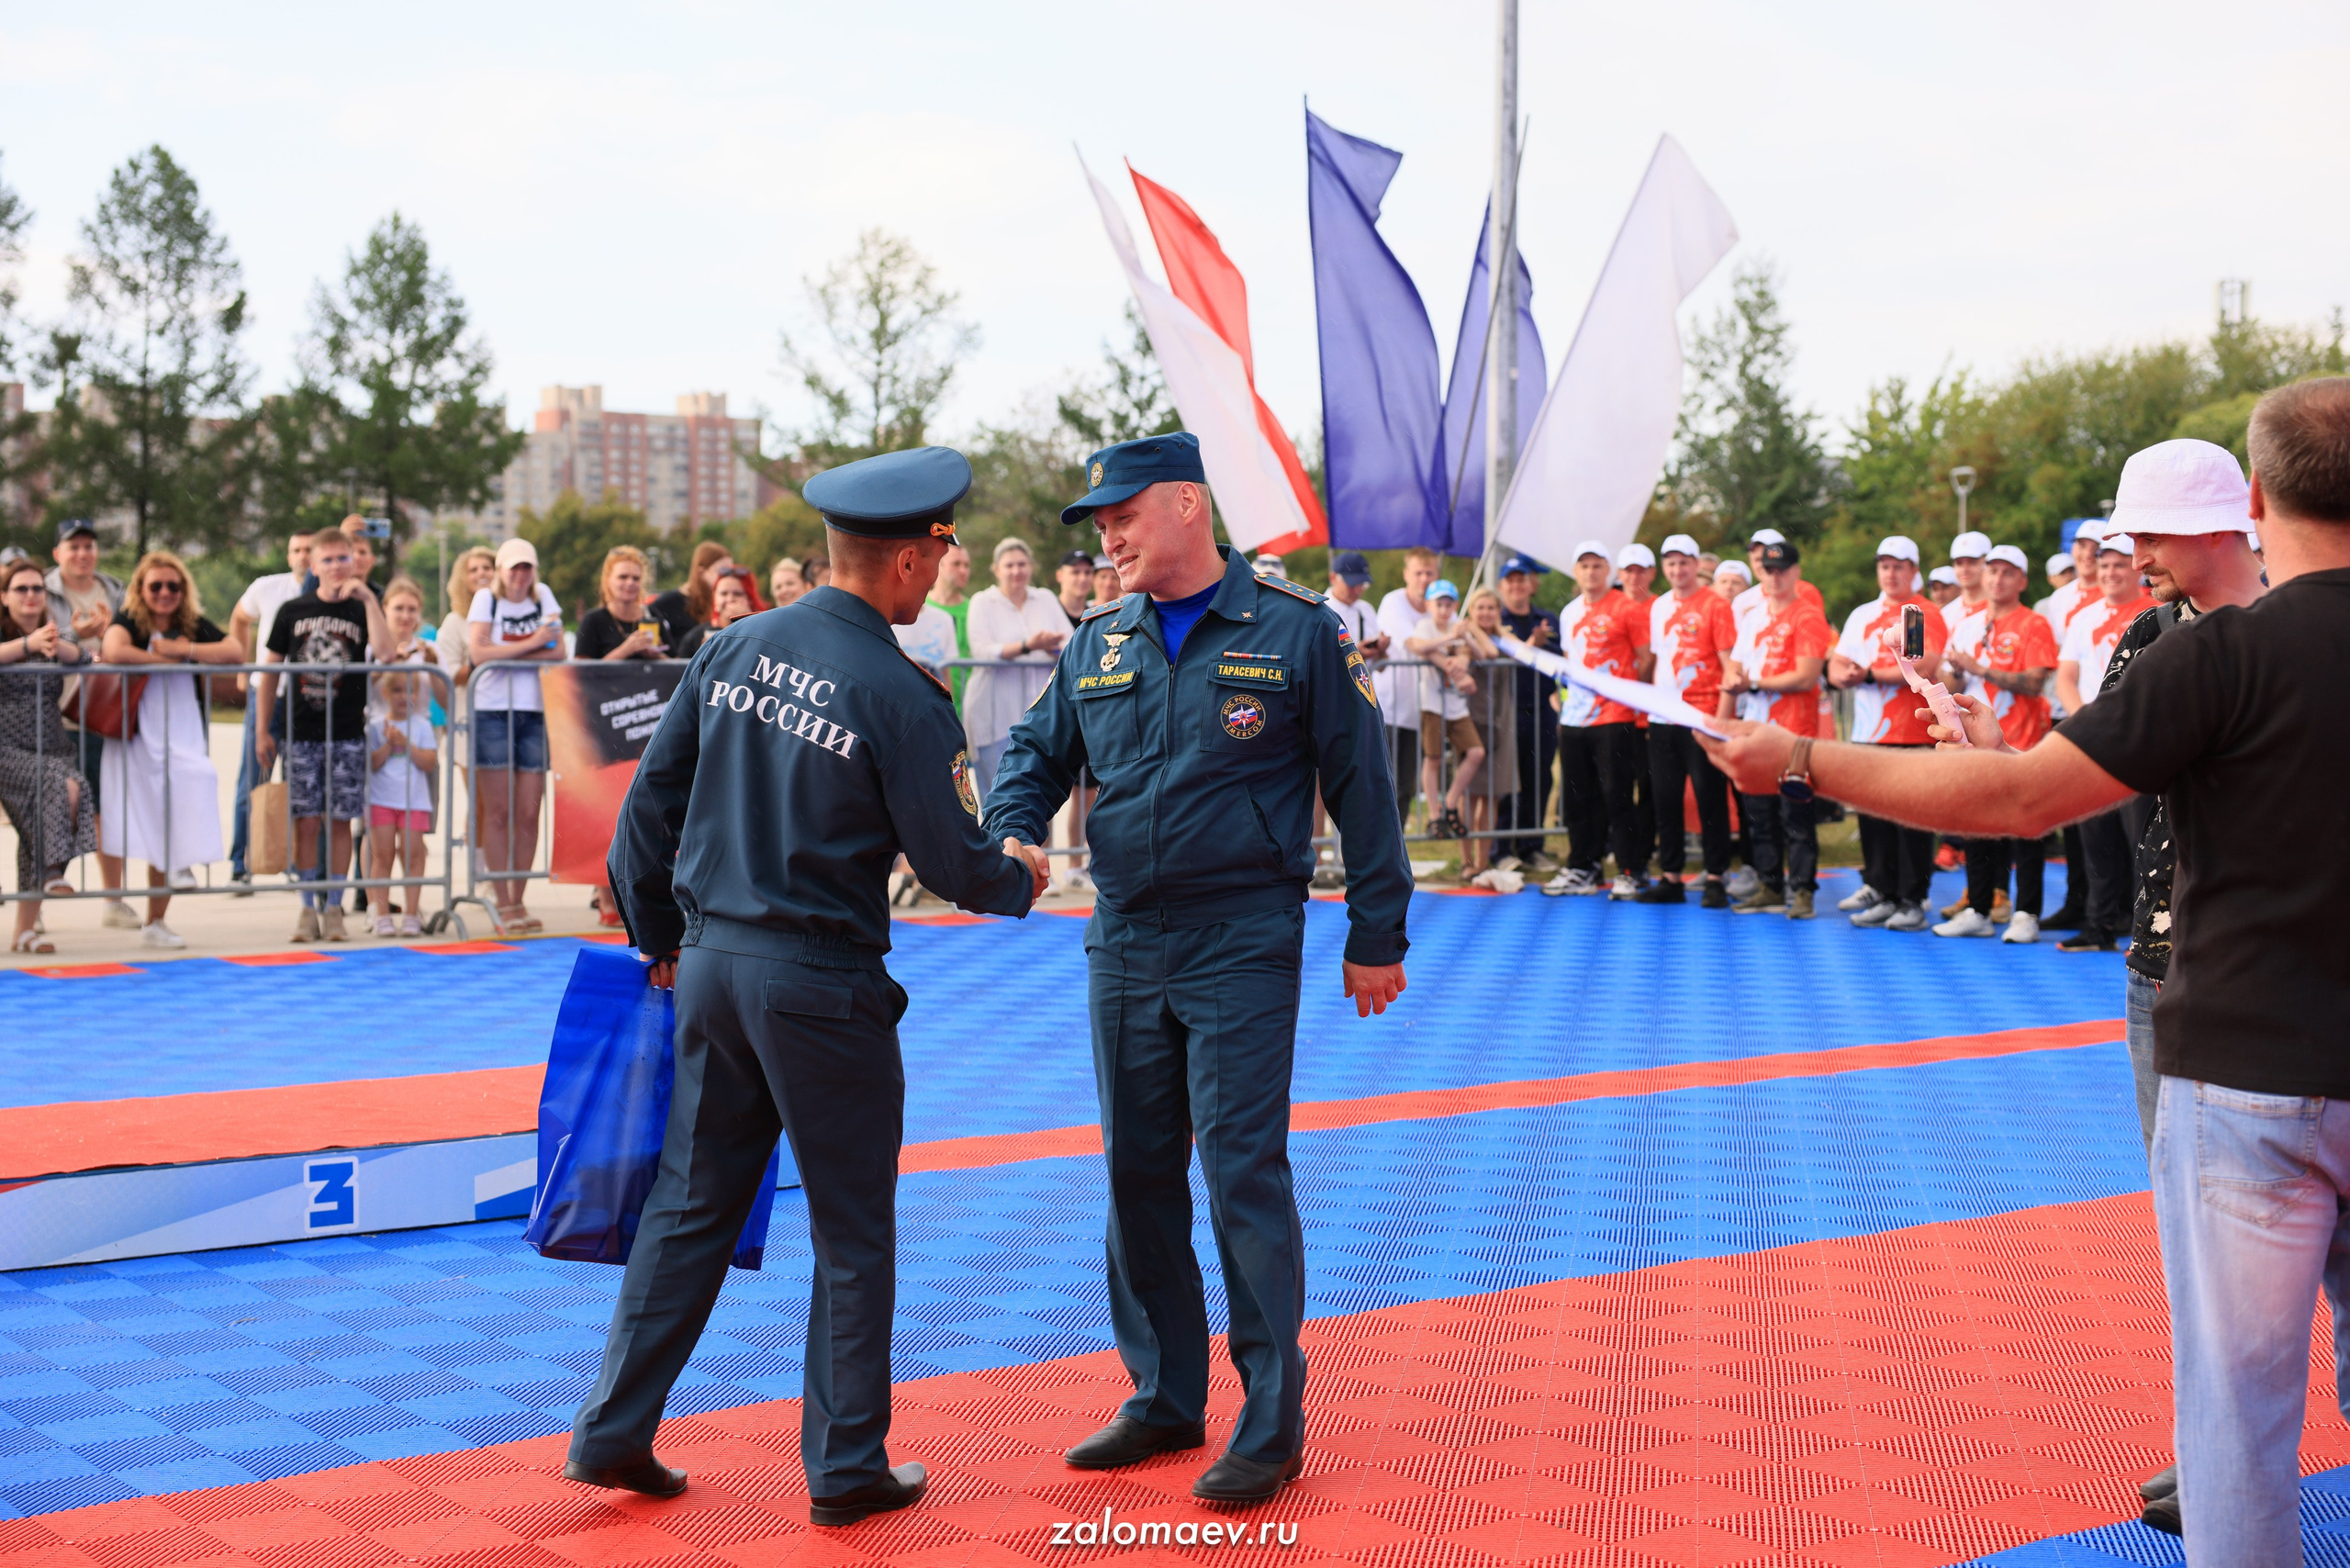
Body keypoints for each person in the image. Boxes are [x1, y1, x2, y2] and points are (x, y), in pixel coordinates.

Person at [1698, 387, 2350, 1568]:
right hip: (2247, 1036)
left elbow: (2019, 802)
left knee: (2237, 1407)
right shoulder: (2187, 647)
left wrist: (1796, 758)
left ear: (2253, 504)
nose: (2134, 558)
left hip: (2250, 1065)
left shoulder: (2222, 657)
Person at [576, 444, 1043, 1524]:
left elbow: (646, 813)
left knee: (688, 1207)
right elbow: (950, 865)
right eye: (941, 546)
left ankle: (611, 1428)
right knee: (851, 1226)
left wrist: (660, 937)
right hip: (820, 988)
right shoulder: (902, 692)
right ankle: (844, 1466)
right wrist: (1019, 873)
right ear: (915, 563)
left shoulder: (733, 647)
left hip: (711, 969)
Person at [982, 431, 1409, 1505]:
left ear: (1185, 506)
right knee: (1136, 1172)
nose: (1106, 538)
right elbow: (1035, 754)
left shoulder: (1294, 630)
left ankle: (1269, 1417)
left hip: (1242, 936)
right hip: (1125, 938)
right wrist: (1014, 829)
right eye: (1097, 524)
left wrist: (1376, 932)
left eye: (1122, 516)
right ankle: (1166, 1395)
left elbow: (1363, 784)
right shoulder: (1100, 640)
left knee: (1241, 1175)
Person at [99, 552, 246, 947]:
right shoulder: (130, 620)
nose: (165, 593)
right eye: (156, 586)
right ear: (141, 590)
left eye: (173, 586)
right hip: (138, 733)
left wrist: (186, 651)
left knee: (198, 778)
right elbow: (113, 650)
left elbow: (234, 650)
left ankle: (168, 893)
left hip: (183, 730)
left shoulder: (190, 625)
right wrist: (156, 658)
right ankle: (152, 916)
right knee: (154, 823)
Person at [256, 531, 393, 944]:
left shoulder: (361, 608)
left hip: (348, 732)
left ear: (354, 562)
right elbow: (269, 674)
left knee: (339, 820)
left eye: (342, 558)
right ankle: (306, 908)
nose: (336, 567)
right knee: (306, 821)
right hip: (302, 732)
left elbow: (386, 654)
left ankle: (334, 906)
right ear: (312, 566)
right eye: (328, 560)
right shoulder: (292, 610)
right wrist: (264, 728)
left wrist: (369, 600)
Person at [1935, 543, 2059, 942]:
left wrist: (1979, 667)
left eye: (2008, 573)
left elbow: (2035, 681)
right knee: (1977, 828)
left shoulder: (2033, 624)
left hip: (2022, 740)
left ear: (2022, 581)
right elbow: (1955, 683)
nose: (1997, 579)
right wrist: (1955, 674)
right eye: (1992, 571)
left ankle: (2027, 913)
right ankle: (1979, 909)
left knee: (2025, 828)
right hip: (1974, 745)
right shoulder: (1967, 624)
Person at [1827, 536, 1945, 931]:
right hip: (1867, 729)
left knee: (1910, 818)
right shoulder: (1863, 614)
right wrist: (1842, 674)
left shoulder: (1917, 611)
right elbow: (1838, 661)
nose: (1891, 573)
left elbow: (1921, 663)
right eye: (1884, 565)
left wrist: (1870, 674)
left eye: (1899, 566)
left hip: (1911, 729)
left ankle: (1911, 897)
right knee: (1873, 815)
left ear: (1914, 571)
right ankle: (1879, 886)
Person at [2051, 534, 2154, 954]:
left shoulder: (2157, 614)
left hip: (2142, 745)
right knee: (2096, 840)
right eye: (2104, 565)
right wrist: (2089, 723)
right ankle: (2098, 928)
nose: (2110, 573)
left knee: (2142, 843)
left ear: (2134, 568)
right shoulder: (2083, 618)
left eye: (2118, 565)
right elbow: (2065, 678)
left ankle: (2147, 935)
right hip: (2096, 743)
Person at [1718, 540, 1831, 918]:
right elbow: (1734, 666)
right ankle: (1769, 884)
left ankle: (1802, 891)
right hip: (1755, 728)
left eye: (1782, 568)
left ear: (1797, 571)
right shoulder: (1752, 617)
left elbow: (1806, 676)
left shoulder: (1808, 616)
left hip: (1793, 731)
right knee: (1759, 812)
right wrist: (1726, 715)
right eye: (1768, 570)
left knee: (1795, 813)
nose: (1774, 576)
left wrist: (1752, 683)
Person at [467, 538, 564, 934]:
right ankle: (503, 901)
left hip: (535, 711)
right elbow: (477, 654)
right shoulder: (485, 601)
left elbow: (558, 653)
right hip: (491, 710)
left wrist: (507, 649)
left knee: (528, 811)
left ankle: (519, 899)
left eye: (527, 567)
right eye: (514, 567)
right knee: (499, 811)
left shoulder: (544, 598)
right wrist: (534, 643)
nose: (521, 575)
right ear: (501, 570)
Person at [0, 557, 95, 953]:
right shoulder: (14, 637)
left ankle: (25, 930)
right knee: (60, 788)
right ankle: (53, 870)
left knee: (71, 797)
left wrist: (64, 643)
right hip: (5, 748)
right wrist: (27, 645)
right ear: (4, 597)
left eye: (37, 588)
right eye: (21, 589)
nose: (30, 595)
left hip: (49, 745)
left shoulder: (54, 634)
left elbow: (86, 658)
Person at [1546, 541, 1648, 899]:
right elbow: (1569, 662)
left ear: (1609, 570)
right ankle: (1582, 866)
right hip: (1576, 717)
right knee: (1576, 797)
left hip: (1614, 716)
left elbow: (1645, 660)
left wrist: (1628, 696)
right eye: (1584, 566)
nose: (1590, 572)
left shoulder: (1627, 608)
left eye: (1597, 565)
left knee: (1616, 795)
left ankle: (1630, 869)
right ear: (1576, 572)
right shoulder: (1570, 612)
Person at [1639, 534, 1737, 907]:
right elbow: (1657, 662)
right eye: (1671, 563)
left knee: (1710, 796)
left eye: (1684, 562)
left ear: (1697, 565)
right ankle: (1671, 876)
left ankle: (1715, 877)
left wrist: (1721, 721)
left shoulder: (1716, 605)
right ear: (1663, 568)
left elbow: (1731, 667)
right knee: (1665, 798)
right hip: (1664, 715)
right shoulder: (1659, 607)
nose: (1678, 570)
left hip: (1703, 714)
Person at [45, 519, 131, 927]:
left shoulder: (115, 589)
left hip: (101, 717)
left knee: (107, 807)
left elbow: (135, 634)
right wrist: (72, 636)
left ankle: (114, 900)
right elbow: (24, 637)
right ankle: (35, 903)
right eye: (73, 546)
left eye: (89, 546)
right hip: (48, 717)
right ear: (57, 553)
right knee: (46, 807)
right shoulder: (36, 589)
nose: (82, 553)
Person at [227, 531, 314, 891]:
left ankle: (295, 860)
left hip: (306, 698)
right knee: (253, 778)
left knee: (301, 783)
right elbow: (239, 618)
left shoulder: (325, 593)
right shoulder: (267, 587)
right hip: (267, 694)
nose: (303, 556)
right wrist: (241, 664)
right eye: (296, 549)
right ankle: (240, 862)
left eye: (310, 550)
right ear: (288, 553)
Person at [961, 537, 1068, 799]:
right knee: (998, 794)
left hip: (1038, 716)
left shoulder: (1045, 598)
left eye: (1021, 564)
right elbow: (982, 650)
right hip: (994, 715)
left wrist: (1050, 648)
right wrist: (1028, 645)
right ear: (996, 570)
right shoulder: (982, 601)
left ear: (1031, 566)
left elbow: (1071, 643)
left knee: (1041, 794)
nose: (1016, 571)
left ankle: (1041, 842)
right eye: (1009, 565)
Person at [1490, 555, 1560, 872]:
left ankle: (1532, 847)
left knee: (1539, 778)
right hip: (1506, 711)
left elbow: (1561, 660)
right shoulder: (1494, 619)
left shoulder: (1547, 620)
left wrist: (1541, 645)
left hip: (1542, 708)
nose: (1517, 586)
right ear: (1502, 586)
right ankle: (1501, 849)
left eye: (1522, 579)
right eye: (1511, 580)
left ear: (1532, 584)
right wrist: (1531, 646)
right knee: (1507, 780)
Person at [1404, 580, 1482, 844]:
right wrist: (1452, 643)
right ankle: (1435, 815)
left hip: (1456, 705)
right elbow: (1418, 646)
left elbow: (1479, 653)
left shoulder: (1456, 627)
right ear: (1429, 604)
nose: (1444, 608)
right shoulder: (1425, 626)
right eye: (1439, 603)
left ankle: (1450, 801)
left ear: (1455, 606)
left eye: (1449, 604)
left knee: (1475, 751)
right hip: (1433, 702)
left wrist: (1465, 643)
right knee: (1434, 757)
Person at [365, 669, 438, 938]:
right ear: (385, 693)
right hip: (381, 799)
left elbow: (429, 762)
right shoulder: (375, 726)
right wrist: (388, 745)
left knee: (413, 854)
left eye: (408, 691)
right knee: (382, 855)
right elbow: (370, 764)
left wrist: (406, 744)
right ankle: (381, 914)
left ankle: (411, 913)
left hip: (414, 801)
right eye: (396, 691)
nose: (402, 697)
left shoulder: (421, 726)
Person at [1376, 546, 1439, 828]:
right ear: (1406, 574)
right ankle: (1375, 850)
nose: (1424, 579)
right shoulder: (1394, 602)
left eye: (1429, 573)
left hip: (1419, 709)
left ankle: (1397, 850)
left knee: (1406, 786)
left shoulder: (1440, 605)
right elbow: (1415, 644)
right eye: (1418, 573)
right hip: (1388, 707)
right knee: (1382, 783)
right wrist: (1449, 660)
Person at [1457, 589, 1516, 878]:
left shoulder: (1504, 637)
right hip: (1471, 720)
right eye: (1479, 608)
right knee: (1469, 795)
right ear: (1470, 611)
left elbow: (1522, 648)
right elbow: (1487, 653)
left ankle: (1483, 861)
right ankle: (1466, 861)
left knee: (1491, 795)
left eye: (1491, 607)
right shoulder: (1466, 639)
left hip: (1500, 722)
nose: (1486, 613)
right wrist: (1474, 630)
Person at [576, 547, 670, 662]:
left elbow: (678, 668)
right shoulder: (593, 620)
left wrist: (656, 655)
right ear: (608, 580)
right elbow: (580, 673)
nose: (630, 582)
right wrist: (626, 649)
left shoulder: (651, 616)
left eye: (636, 578)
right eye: (623, 577)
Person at [650, 542, 737, 652]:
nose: (727, 577)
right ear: (701, 572)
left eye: (730, 571)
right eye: (722, 571)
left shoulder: (724, 601)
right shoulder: (671, 602)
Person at [929, 542, 973, 706]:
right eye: (956, 564)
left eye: (966, 565)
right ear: (939, 564)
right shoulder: (919, 607)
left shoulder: (974, 608)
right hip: (932, 704)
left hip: (969, 705)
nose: (963, 571)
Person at [677, 569, 755, 658]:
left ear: (750, 600)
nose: (730, 599)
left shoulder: (759, 631)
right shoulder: (695, 636)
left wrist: (747, 622)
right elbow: (679, 668)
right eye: (724, 594)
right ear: (715, 598)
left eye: (738, 594)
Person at [1940, 531, 1991, 633]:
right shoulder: (1946, 613)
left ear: (1987, 564)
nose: (1965, 569)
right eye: (1959, 563)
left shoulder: (2000, 610)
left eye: (1972, 562)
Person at [1054, 547, 1095, 623]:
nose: (1083, 579)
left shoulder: (1095, 618)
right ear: (1059, 576)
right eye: (1075, 572)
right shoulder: (1048, 614)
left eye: (1087, 572)